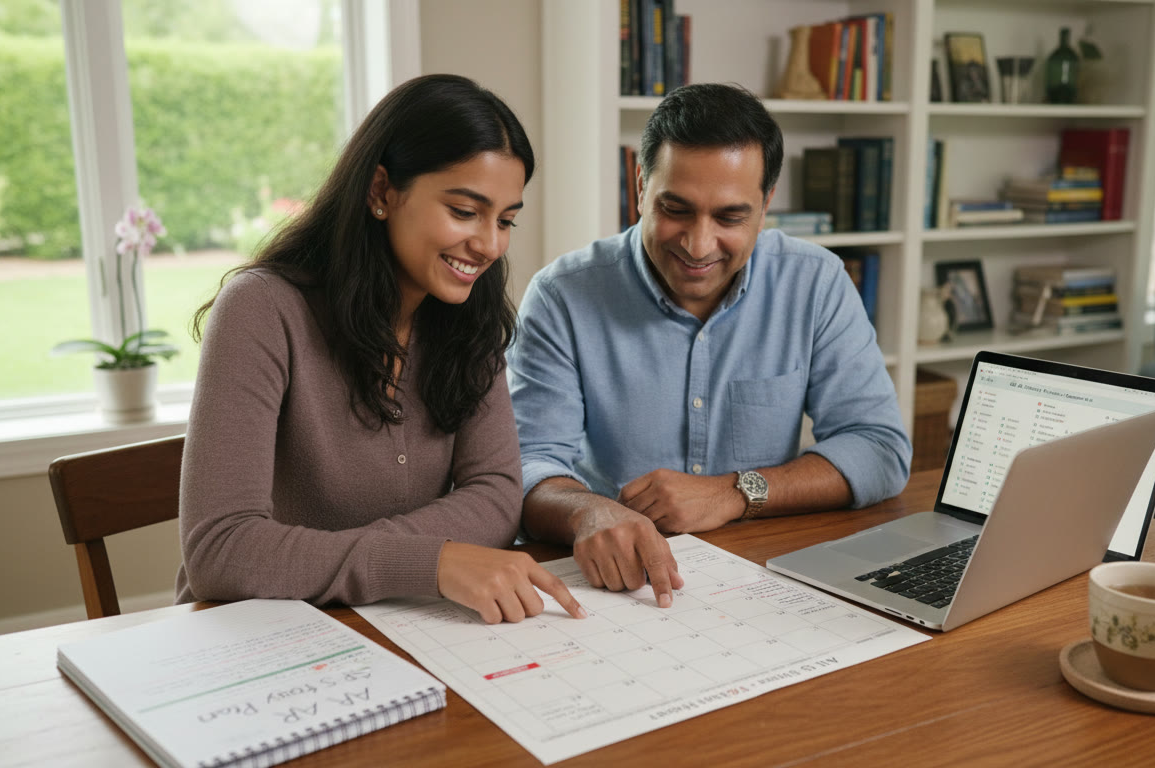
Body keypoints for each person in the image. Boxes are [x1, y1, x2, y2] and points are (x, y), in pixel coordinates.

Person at [177, 74, 584, 625]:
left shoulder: (472, 315)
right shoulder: (261, 310)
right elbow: (222, 551)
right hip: (257, 638)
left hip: (405, 622)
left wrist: (372, 563)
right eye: (465, 211)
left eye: (505, 220)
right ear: (381, 192)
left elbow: (495, 494)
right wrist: (427, 561)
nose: (489, 244)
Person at [508, 83, 911, 609]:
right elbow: (529, 463)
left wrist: (736, 491)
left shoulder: (816, 282)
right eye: (675, 209)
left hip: (762, 575)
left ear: (766, 204)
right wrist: (587, 511)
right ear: (640, 187)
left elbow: (879, 448)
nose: (698, 246)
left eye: (729, 217)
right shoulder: (563, 295)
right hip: (614, 585)